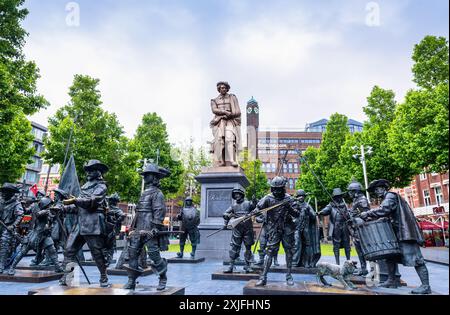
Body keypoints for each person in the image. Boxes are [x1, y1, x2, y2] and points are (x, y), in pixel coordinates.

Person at [360, 179, 431, 294]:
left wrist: (368, 213)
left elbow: (385, 209)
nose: (376, 193)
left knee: (416, 259)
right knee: (391, 257)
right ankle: (392, 280)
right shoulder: (387, 198)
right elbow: (390, 214)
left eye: (377, 190)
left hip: (405, 233)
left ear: (383, 188)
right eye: (374, 191)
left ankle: (425, 285)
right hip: (397, 233)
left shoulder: (390, 196)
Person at [60, 160, 110, 287]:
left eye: (91, 170)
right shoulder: (85, 186)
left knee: (96, 252)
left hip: (93, 223)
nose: (88, 172)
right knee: (69, 250)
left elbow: (90, 202)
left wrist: (75, 200)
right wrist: (63, 209)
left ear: (98, 172)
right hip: (80, 222)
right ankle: (69, 278)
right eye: (87, 170)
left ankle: (103, 276)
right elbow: (78, 207)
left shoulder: (101, 186)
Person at [123, 163, 170, 291]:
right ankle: (131, 280)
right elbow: (139, 211)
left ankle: (162, 277)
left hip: (149, 228)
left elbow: (159, 211)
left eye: (147, 175)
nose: (144, 177)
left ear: (154, 177)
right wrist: (133, 227)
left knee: (154, 254)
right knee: (133, 253)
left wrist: (155, 228)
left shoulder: (157, 193)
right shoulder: (144, 192)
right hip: (139, 228)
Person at [254, 177, 300, 286]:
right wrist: (256, 212)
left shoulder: (289, 199)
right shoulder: (267, 198)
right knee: (269, 252)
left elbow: (297, 214)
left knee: (289, 252)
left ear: (283, 188)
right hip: (274, 229)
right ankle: (263, 277)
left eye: (279, 189)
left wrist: (288, 207)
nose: (276, 191)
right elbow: (258, 209)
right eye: (274, 189)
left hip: (287, 229)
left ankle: (289, 276)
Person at [7, 197, 63, 275]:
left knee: (52, 250)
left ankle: (58, 267)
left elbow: (52, 217)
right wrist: (49, 211)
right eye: (49, 205)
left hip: (45, 235)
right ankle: (12, 267)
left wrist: (56, 212)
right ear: (45, 205)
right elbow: (38, 214)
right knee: (23, 251)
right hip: (35, 235)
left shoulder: (50, 211)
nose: (51, 206)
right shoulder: (42, 211)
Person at [223, 189, 256, 274]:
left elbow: (255, 207)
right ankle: (231, 266)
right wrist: (228, 216)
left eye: (238, 194)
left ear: (242, 195)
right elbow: (225, 214)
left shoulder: (248, 203)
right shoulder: (233, 206)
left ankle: (247, 266)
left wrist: (254, 200)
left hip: (248, 229)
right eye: (235, 195)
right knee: (234, 247)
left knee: (248, 248)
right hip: (237, 229)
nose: (236, 196)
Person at [210, 81, 243, 167]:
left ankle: (231, 160)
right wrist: (224, 112)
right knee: (220, 141)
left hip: (230, 121)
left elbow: (237, 111)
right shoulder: (214, 100)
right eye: (221, 88)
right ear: (218, 89)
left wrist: (230, 114)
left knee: (229, 139)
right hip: (219, 122)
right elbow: (214, 110)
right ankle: (221, 161)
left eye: (224, 87)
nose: (223, 89)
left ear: (227, 88)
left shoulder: (232, 97)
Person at [318, 188, 351, 265]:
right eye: (337, 196)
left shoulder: (345, 205)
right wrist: (320, 212)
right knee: (336, 244)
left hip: (345, 226)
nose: (339, 198)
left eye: (340, 196)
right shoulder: (331, 205)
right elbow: (325, 210)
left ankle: (349, 262)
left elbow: (349, 214)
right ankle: (337, 263)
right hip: (336, 227)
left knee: (347, 243)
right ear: (334, 197)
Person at [292, 189, 321, 268]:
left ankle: (307, 262)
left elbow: (313, 216)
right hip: (297, 228)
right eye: (299, 196)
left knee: (307, 245)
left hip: (306, 228)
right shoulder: (294, 205)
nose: (301, 197)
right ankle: (295, 262)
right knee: (296, 244)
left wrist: (308, 211)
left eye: (302, 196)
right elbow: (291, 215)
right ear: (297, 197)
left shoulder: (307, 205)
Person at [0, 183, 24, 273]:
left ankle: (1, 264)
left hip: (8, 227)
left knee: (4, 242)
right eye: (2, 191)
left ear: (11, 193)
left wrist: (13, 225)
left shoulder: (16, 204)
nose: (2, 193)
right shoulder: (1, 201)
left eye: (5, 192)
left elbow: (20, 216)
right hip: (0, 226)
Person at [346, 181, 369, 276]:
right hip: (356, 229)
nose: (349, 194)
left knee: (364, 250)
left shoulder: (362, 200)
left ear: (355, 191)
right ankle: (363, 268)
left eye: (350, 192)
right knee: (359, 250)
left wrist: (354, 216)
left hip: (362, 230)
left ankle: (370, 270)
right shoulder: (356, 200)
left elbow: (366, 215)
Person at [105, 193, 126, 265]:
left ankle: (109, 259)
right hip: (104, 228)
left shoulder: (116, 209)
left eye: (110, 200)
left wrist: (116, 221)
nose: (109, 201)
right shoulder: (107, 207)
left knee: (110, 244)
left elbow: (123, 215)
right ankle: (105, 257)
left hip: (111, 229)